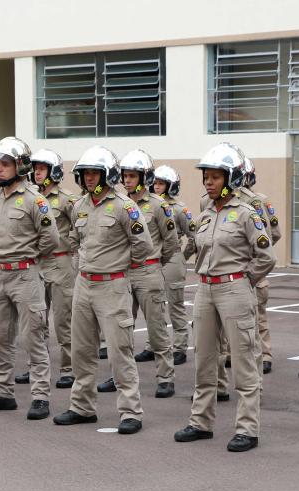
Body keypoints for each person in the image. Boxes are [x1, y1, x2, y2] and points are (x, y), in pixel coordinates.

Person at [173, 143, 275, 452]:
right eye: (207, 177)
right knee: (204, 359)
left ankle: (247, 429)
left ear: (231, 179)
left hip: (234, 289)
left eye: (216, 177)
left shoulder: (248, 214)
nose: (208, 182)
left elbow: (265, 256)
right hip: (205, 289)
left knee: (244, 360)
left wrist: (244, 281)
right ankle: (201, 422)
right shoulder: (206, 213)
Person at [53, 146, 151, 435]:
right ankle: (82, 407)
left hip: (112, 285)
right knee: (82, 350)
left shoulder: (125, 206)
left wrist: (117, 267)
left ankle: (130, 411)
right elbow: (74, 239)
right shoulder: (80, 205)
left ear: (107, 175)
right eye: (86, 174)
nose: (90, 178)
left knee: (120, 351)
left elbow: (142, 246)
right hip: (84, 284)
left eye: (95, 173)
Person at [0, 137, 59, 420]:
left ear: (19, 166)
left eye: (5, 164)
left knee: (33, 337)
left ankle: (40, 396)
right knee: (0, 338)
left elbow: (50, 239)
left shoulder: (36, 200)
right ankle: (2, 392)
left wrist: (29, 258)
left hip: (25, 274)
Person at [113, 149, 177, 398]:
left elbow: (171, 241)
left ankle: (165, 377)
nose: (127, 180)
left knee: (156, 327)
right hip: (123, 271)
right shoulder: (119, 204)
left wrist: (157, 261)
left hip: (148, 271)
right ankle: (118, 376)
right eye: (125, 176)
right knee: (118, 328)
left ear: (144, 178)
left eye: (132, 176)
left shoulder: (158, 205)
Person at [15, 148, 78, 389]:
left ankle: (69, 368)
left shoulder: (67, 199)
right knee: (35, 320)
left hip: (60, 263)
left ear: (53, 171)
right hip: (37, 262)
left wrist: (70, 247)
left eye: (42, 169)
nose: (37, 173)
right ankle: (36, 367)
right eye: (36, 169)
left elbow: (79, 227)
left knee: (63, 319)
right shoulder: (29, 196)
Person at [238, 156, 281, 375]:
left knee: (258, 316)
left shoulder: (258, 201)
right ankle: (231, 354)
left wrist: (258, 257)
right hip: (235, 272)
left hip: (254, 270)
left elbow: (273, 233)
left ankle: (264, 354)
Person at [153, 164, 195, 366]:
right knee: (154, 305)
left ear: (171, 186)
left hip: (172, 258)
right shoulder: (148, 205)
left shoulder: (180, 209)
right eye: (155, 183)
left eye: (161, 183)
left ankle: (180, 347)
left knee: (175, 305)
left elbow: (194, 237)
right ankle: (152, 345)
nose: (157, 186)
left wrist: (182, 257)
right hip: (153, 259)